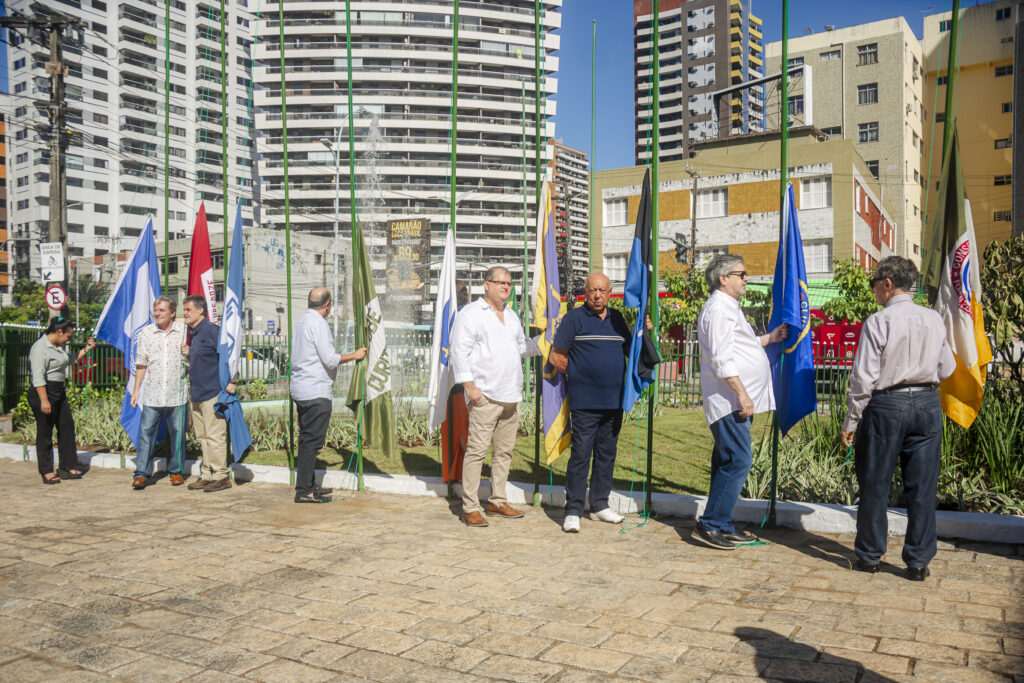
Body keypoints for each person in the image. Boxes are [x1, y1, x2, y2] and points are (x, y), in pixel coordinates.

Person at [841, 256, 955, 581]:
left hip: (886, 405)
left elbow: (863, 379)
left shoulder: (878, 321)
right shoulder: (934, 319)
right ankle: (918, 562)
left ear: (887, 283)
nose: (874, 290)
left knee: (875, 482)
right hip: (926, 403)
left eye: (874, 283)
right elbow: (948, 368)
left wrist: (851, 421)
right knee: (922, 487)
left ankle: (869, 556)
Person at [694, 255, 787, 550]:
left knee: (727, 460)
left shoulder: (728, 308)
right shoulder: (719, 310)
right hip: (730, 401)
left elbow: (739, 345)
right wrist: (742, 394)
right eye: (742, 274)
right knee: (739, 460)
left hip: (735, 400)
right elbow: (721, 358)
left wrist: (768, 338)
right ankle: (711, 524)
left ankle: (720, 523)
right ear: (723, 278)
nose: (746, 278)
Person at [450, 266, 540, 527]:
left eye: (509, 283)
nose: (505, 287)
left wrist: (543, 342)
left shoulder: (511, 315)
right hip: (485, 396)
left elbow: (521, 347)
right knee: (477, 452)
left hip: (511, 396)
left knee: (504, 452)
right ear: (485, 284)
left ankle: (497, 501)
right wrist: (470, 387)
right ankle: (470, 506)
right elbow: (459, 352)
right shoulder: (471, 315)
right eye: (499, 282)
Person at [549, 273, 633, 533]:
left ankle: (599, 505)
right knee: (581, 455)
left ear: (610, 292)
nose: (597, 295)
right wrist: (576, 374)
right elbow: (555, 356)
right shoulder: (573, 319)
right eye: (592, 290)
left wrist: (644, 332)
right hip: (585, 403)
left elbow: (632, 350)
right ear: (585, 292)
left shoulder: (618, 320)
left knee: (606, 455)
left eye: (602, 290)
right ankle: (573, 509)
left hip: (614, 402)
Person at [290, 287, 366, 503]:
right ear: (327, 305)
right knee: (311, 443)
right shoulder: (319, 324)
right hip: (316, 391)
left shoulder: (301, 322)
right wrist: (356, 355)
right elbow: (330, 359)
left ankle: (309, 485)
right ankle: (304, 491)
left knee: (307, 439)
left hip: (302, 388)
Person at [129, 296, 188, 490]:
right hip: (153, 394)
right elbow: (141, 363)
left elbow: (191, 361)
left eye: (161, 310)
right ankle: (141, 474)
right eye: (156, 310)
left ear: (172, 313)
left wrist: (188, 353)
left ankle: (176, 471)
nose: (157, 313)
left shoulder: (184, 332)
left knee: (177, 434)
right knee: (146, 434)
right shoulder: (146, 332)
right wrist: (136, 390)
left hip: (177, 394)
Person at [27, 317, 95, 484]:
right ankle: (47, 471)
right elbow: (38, 377)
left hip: (58, 391)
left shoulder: (58, 347)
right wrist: (44, 400)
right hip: (43, 391)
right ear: (59, 331)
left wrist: (86, 350)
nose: (68, 339)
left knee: (66, 427)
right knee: (45, 431)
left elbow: (68, 360)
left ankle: (67, 466)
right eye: (68, 336)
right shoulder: (40, 348)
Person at [182, 295, 232, 492]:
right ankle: (207, 474)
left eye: (188, 310)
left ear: (200, 310)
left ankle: (221, 476)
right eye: (184, 310)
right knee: (202, 437)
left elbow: (227, 356)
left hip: (212, 393)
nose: (184, 313)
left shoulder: (212, 331)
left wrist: (231, 381)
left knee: (215, 436)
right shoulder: (195, 334)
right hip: (197, 393)